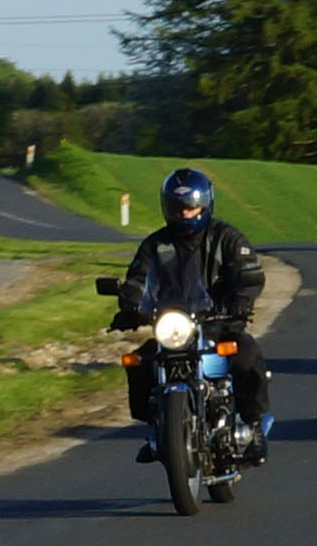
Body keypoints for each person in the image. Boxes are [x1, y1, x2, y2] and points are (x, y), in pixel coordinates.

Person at [110, 168, 272, 466]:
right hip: (173, 327)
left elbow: (249, 272)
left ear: (205, 204)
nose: (185, 214)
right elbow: (137, 279)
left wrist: (241, 300)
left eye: (191, 207)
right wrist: (130, 306)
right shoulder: (155, 245)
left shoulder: (226, 238)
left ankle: (253, 426)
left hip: (219, 323)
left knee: (246, 355)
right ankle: (160, 430)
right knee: (139, 363)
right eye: (178, 207)